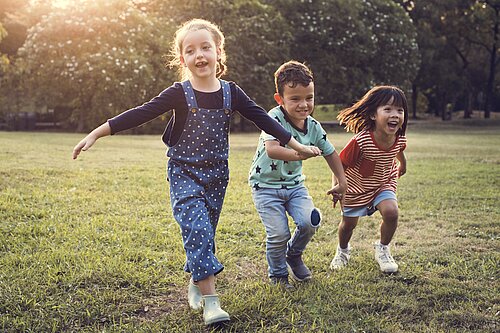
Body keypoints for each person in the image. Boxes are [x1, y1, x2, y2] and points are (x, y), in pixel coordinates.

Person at [72, 19, 320, 326]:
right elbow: (141, 112)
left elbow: (264, 120)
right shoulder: (179, 93)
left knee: (205, 233)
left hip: (217, 175)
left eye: (205, 47)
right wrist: (96, 132)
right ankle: (211, 303)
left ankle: (195, 281)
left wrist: (298, 145)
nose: (199, 55)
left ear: (218, 52)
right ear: (182, 59)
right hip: (183, 173)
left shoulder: (231, 93)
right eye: (190, 50)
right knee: (198, 230)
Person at [248, 60, 347, 287]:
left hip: (294, 187)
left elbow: (330, 153)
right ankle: (278, 275)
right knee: (279, 234)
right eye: (295, 99)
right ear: (280, 99)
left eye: (309, 98)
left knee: (309, 222)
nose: (304, 104)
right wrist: (300, 153)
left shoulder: (313, 126)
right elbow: (272, 150)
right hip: (265, 187)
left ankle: (293, 255)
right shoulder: (273, 118)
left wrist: (342, 182)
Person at [329, 86, 408, 273]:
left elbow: (399, 150)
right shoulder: (361, 141)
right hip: (355, 187)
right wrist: (337, 186)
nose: (395, 114)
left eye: (400, 110)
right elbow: (340, 164)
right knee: (348, 225)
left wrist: (402, 165)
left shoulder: (399, 138)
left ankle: (382, 248)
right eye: (388, 109)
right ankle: (342, 251)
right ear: (373, 115)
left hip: (383, 183)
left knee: (391, 213)